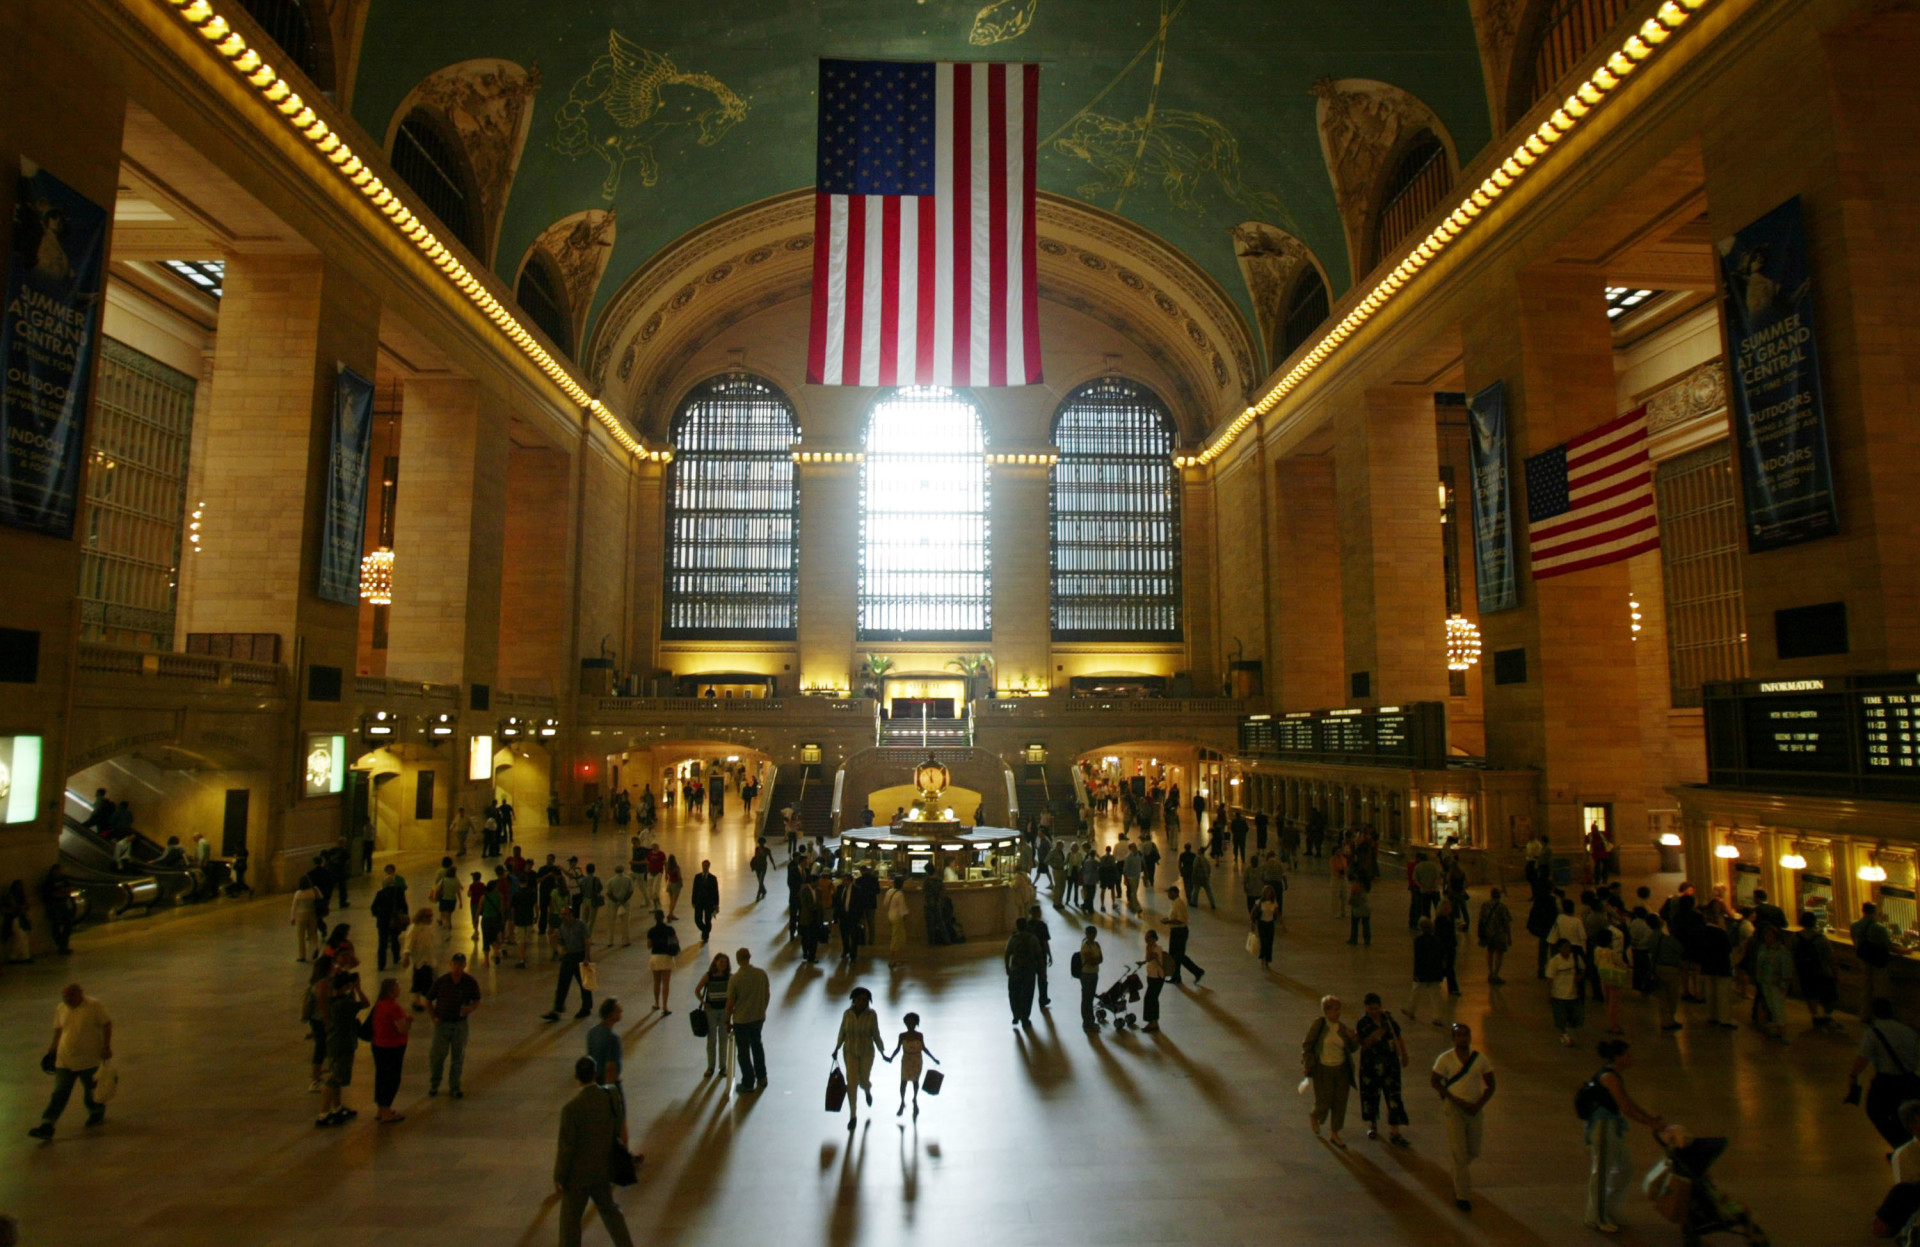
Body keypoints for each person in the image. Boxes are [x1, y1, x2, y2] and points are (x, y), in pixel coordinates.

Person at [1575, 1038, 1666, 1233]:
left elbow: (1628, 1101)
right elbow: (1625, 1107)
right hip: (1603, 1128)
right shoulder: (1609, 1077)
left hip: (1610, 1127)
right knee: (1602, 1171)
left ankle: (1609, 1209)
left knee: (1625, 1168)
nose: (1632, 1059)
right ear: (1617, 1057)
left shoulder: (1612, 1074)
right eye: (1628, 1055)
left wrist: (1650, 1118)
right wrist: (1650, 1124)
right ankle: (1596, 1216)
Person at [554, 1055, 637, 1247]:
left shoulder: (571, 1109)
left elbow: (566, 1148)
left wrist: (559, 1176)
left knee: (570, 1222)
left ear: (576, 1076)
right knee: (611, 1212)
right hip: (602, 1169)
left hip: (577, 1177)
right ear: (595, 1073)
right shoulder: (610, 1096)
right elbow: (617, 1128)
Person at [27, 984, 112, 1139]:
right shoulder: (61, 1007)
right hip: (65, 1059)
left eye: (70, 996)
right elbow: (59, 1029)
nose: (67, 1000)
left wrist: (106, 1046)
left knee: (91, 1088)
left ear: (80, 994)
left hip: (89, 1058)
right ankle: (47, 1124)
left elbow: (107, 1024)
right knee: (59, 1093)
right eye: (64, 997)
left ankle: (96, 1112)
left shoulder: (94, 1006)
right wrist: (53, 1046)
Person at [1431, 1022, 1495, 1212]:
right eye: (1458, 1035)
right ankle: (1462, 1195)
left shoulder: (1480, 1059)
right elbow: (1435, 1081)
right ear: (1453, 1038)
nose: (1462, 1038)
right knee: (1459, 1153)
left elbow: (1491, 1085)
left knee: (1473, 1149)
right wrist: (1451, 1098)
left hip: (1474, 1110)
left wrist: (1478, 1105)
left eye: (1465, 1035)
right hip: (1454, 1109)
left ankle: (1458, 1171)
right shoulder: (1445, 1059)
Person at [1852, 998, 1920, 1149]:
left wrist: (1853, 1076)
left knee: (1875, 1111)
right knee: (1907, 1115)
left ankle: (1901, 1146)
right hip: (1910, 1079)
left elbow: (1862, 1059)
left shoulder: (1873, 1033)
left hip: (1886, 1082)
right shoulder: (1909, 1031)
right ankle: (1909, 1145)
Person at [1355, 993, 1411, 1147]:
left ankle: (1395, 1131)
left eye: (1376, 1008)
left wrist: (1404, 1053)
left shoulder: (1388, 1020)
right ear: (1365, 1008)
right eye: (1370, 1008)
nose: (1373, 1011)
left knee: (1393, 1096)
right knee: (1371, 1095)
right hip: (1370, 1065)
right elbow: (1363, 1043)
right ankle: (1372, 1125)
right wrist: (1376, 1034)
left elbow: (1398, 1036)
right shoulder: (1363, 1023)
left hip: (1390, 1064)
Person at [1302, 994, 1357, 1148]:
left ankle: (1335, 1133)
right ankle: (1315, 1115)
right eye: (1334, 1010)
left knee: (1340, 1102)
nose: (1337, 1013)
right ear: (1326, 1011)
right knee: (1324, 1100)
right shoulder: (1319, 1025)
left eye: (1338, 1009)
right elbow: (1308, 1044)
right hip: (1323, 1069)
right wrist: (1308, 1064)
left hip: (1341, 1070)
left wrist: (1353, 1038)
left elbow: (1352, 1049)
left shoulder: (1343, 1029)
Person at [426, 952, 480, 1097]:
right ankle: (434, 1084)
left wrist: (470, 1008)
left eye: (460, 965)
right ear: (451, 965)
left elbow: (477, 999)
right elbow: (429, 999)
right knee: (437, 1056)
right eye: (455, 964)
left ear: (464, 966)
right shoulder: (442, 981)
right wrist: (433, 1017)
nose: (457, 968)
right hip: (442, 1023)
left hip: (460, 1024)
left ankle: (454, 1086)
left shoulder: (469, 982)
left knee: (458, 1056)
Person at [318, 969, 368, 1127]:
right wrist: (358, 989)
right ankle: (324, 1113)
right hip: (341, 1045)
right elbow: (365, 1003)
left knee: (337, 1078)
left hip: (338, 1043)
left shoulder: (335, 999)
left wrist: (351, 989)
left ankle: (336, 1107)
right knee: (333, 1079)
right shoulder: (343, 1004)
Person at [834, 986, 886, 1131]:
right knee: (852, 1082)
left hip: (866, 1052)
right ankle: (853, 1115)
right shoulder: (847, 1014)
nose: (862, 1003)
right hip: (850, 1052)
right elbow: (842, 1032)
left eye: (865, 1000)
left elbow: (876, 1034)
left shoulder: (871, 1015)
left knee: (863, 1079)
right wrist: (837, 1048)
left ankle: (867, 1090)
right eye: (859, 999)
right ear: (854, 1000)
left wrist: (882, 1052)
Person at [726, 947, 770, 1094]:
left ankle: (748, 1082)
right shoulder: (761, 974)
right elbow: (767, 994)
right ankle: (762, 1077)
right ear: (749, 957)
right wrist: (762, 1009)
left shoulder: (735, 979)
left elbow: (730, 1003)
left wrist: (727, 1020)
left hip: (741, 1020)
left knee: (743, 1052)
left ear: (738, 960)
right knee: (757, 1046)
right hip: (758, 1018)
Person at [369, 977, 411, 1124]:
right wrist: (408, 1021)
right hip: (392, 1047)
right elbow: (402, 1029)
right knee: (391, 1079)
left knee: (381, 1077)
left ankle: (381, 1109)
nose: (400, 989)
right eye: (398, 987)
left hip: (378, 1045)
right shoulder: (394, 1007)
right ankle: (386, 1111)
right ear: (391, 990)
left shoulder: (379, 1004)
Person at [543, 906, 595, 1022]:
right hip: (569, 956)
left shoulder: (580, 925)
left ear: (571, 914)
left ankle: (586, 1007)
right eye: (562, 914)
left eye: (565, 914)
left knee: (584, 983)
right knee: (562, 983)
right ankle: (557, 1008)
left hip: (580, 955)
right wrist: (555, 940)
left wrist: (587, 957)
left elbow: (587, 940)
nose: (563, 917)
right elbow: (561, 942)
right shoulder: (562, 927)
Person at [884, 1012, 939, 1117]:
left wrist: (933, 1059)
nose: (910, 1025)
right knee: (903, 1081)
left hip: (917, 1060)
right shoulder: (902, 1035)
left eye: (912, 1023)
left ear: (916, 1023)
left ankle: (914, 1098)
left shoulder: (919, 1035)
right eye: (908, 1023)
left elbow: (924, 1048)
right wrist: (891, 1057)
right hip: (906, 1060)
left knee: (915, 1081)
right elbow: (897, 1049)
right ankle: (902, 1101)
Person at [1406, 917, 1450, 1028]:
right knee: (1435, 995)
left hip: (1422, 971)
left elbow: (1418, 958)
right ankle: (1438, 1017)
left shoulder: (1418, 941)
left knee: (1416, 991)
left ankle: (1411, 1011)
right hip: (1435, 971)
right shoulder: (1437, 940)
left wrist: (1416, 973)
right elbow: (1442, 956)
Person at [694, 954, 733, 1078]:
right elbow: (697, 990)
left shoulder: (729, 977)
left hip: (724, 1011)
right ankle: (710, 1067)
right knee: (711, 1039)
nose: (723, 965)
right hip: (711, 1011)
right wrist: (704, 1003)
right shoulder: (708, 976)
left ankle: (723, 1067)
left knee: (723, 1039)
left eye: (725, 963)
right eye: (721, 962)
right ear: (715, 963)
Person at [1753, 924, 1792, 1043]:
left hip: (1776, 983)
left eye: (1770, 935)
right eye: (1766, 935)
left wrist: (1784, 984)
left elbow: (1786, 968)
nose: (1768, 937)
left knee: (1778, 1007)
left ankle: (1783, 1033)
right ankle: (1777, 1030)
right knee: (1771, 1006)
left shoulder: (1781, 950)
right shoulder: (1763, 948)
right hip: (1765, 981)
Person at [1162, 885, 1205, 986]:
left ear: (1175, 893)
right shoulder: (1175, 903)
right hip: (1176, 931)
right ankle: (1176, 976)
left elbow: (1180, 920)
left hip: (1179, 932)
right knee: (1174, 956)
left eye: (1170, 893)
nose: (1168, 895)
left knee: (1179, 956)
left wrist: (1168, 921)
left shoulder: (1179, 903)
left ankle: (1197, 971)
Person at [1546, 938, 1585, 1046]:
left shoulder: (1575, 958)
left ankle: (1570, 1035)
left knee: (1575, 1017)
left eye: (1569, 947)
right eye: (1565, 947)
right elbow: (1550, 979)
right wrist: (1549, 994)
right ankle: (1565, 1035)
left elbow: (1583, 969)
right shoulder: (1554, 961)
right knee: (1561, 1018)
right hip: (1559, 995)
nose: (1567, 950)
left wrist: (1580, 977)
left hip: (1573, 995)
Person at [1005, 917, 1043, 1026]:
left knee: (1014, 992)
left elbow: (1007, 953)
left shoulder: (1013, 938)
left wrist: (1007, 967)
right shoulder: (1033, 938)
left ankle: (1016, 1014)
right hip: (1029, 970)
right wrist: (1042, 971)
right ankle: (1025, 1017)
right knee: (1027, 994)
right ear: (1026, 926)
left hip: (1015, 969)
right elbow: (1039, 955)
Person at [1857, 904, 1896, 1007]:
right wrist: (1907, 951)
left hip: (1863, 959)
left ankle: (1865, 1013)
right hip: (1878, 962)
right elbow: (1890, 946)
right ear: (1876, 912)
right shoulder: (1880, 928)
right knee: (1880, 988)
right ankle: (1879, 1013)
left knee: (1866, 987)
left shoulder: (1855, 925)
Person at [1594, 927, 1629, 1034]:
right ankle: (1614, 1025)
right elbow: (1621, 964)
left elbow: (1596, 962)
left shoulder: (1597, 950)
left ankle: (1610, 1022)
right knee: (1614, 1003)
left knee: (1608, 1001)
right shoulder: (1611, 953)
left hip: (1603, 977)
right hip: (1615, 979)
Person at [646, 909, 679, 1013]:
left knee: (656, 982)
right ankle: (665, 1006)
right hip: (666, 958)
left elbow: (649, 945)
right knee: (666, 984)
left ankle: (656, 1003)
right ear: (663, 917)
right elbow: (675, 941)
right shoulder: (669, 929)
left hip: (655, 957)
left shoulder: (651, 931)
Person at [587, 998, 624, 1087]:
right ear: (611, 1014)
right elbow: (611, 1066)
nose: (621, 1011)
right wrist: (610, 1087)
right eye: (618, 1011)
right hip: (608, 1080)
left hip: (596, 1078)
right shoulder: (612, 1037)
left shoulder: (592, 1032)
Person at [1478, 887, 1512, 985]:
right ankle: (1496, 974)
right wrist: (1509, 936)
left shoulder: (1485, 905)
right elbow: (1506, 923)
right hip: (1499, 934)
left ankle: (1490, 972)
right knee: (1499, 953)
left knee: (1490, 951)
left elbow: (1481, 918)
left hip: (1488, 933)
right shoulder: (1502, 907)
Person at [1076, 925, 1103, 1032]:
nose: (1092, 936)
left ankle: (1090, 1020)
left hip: (1094, 974)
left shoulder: (1096, 945)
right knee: (1086, 998)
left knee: (1090, 997)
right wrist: (1095, 960)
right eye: (1090, 934)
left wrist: (1094, 959)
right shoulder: (1085, 946)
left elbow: (1100, 959)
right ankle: (1087, 1021)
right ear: (1087, 934)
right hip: (1086, 974)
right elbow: (1091, 961)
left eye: (1094, 934)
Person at [292, 875, 323, 961]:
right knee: (313, 933)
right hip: (312, 914)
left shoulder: (298, 893)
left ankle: (302, 956)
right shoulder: (314, 891)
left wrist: (292, 917)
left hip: (301, 915)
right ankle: (315, 948)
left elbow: (294, 906)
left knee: (301, 937)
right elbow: (321, 898)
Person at [1141, 930, 1167, 1032]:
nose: (1146, 939)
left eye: (1148, 937)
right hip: (1152, 976)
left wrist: (1148, 948)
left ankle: (1153, 1023)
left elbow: (1149, 957)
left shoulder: (1157, 949)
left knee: (1150, 999)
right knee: (1152, 999)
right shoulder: (1151, 948)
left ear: (1154, 938)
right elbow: (1148, 960)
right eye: (1146, 936)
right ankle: (1153, 1022)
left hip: (1157, 977)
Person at [691, 859, 719, 944]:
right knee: (697, 919)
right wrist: (693, 900)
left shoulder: (713, 878)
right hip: (699, 902)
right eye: (704, 865)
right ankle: (706, 930)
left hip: (709, 903)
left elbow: (716, 892)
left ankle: (705, 935)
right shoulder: (697, 877)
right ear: (702, 866)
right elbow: (694, 889)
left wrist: (716, 904)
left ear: (709, 866)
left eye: (707, 866)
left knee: (707, 920)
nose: (705, 867)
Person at [885, 876, 910, 968]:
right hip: (897, 917)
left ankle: (898, 957)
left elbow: (885, 903)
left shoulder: (889, 892)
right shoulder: (899, 894)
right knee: (897, 937)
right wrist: (906, 916)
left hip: (890, 915)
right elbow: (902, 907)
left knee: (899, 936)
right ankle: (893, 959)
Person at [1254, 885, 1280, 970]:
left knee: (1269, 942)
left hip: (1270, 924)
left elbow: (1277, 914)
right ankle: (1262, 958)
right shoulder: (1259, 902)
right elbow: (1253, 912)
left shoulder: (1274, 903)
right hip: (1262, 924)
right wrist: (1252, 922)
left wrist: (1282, 924)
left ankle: (1267, 960)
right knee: (1263, 942)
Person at [663, 854, 683, 922]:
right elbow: (679, 877)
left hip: (670, 884)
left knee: (671, 900)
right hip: (676, 884)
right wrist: (681, 883)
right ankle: (670, 914)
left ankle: (671, 914)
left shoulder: (667, 867)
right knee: (674, 901)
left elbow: (666, 874)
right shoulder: (676, 867)